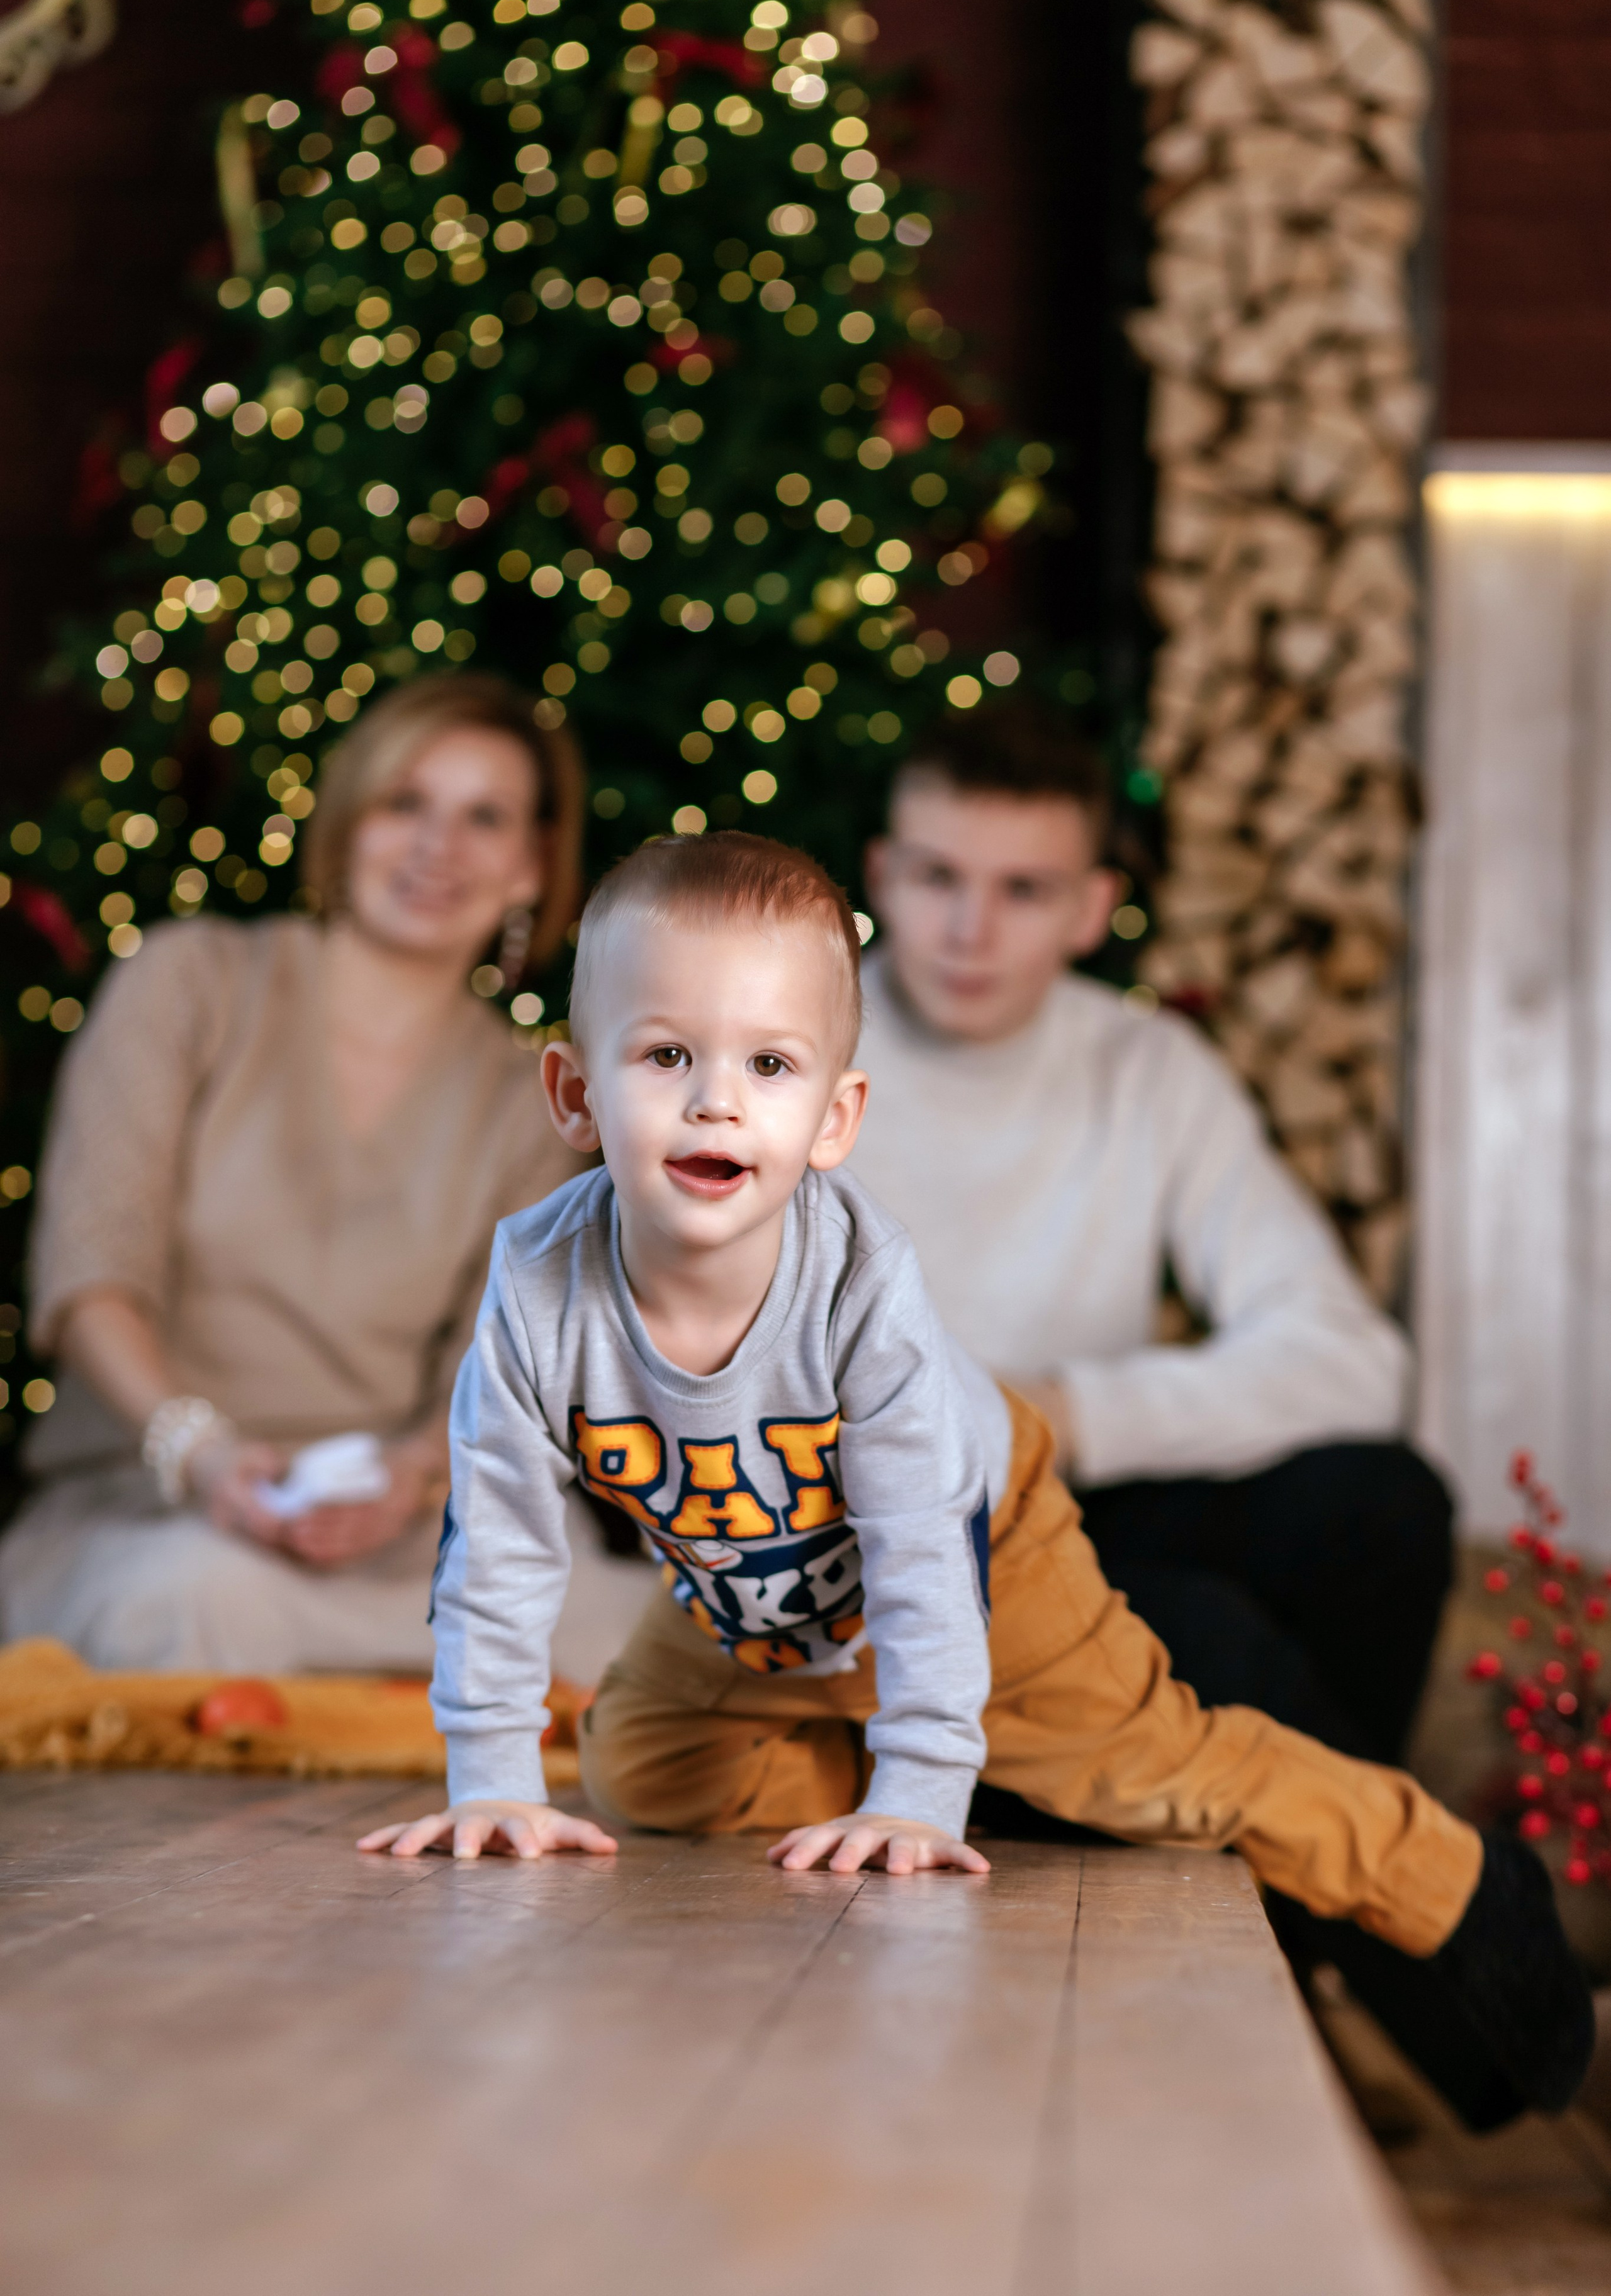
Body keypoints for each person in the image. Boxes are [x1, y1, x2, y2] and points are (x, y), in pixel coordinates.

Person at [359, 831, 1591, 2134]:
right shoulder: (538, 1282)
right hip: (752, 1596)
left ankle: (1444, 1876)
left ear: (833, 1118)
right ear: (572, 1093)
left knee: (1154, 1771)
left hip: (978, 1548)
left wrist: (917, 1786)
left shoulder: (858, 1293)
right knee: (642, 1774)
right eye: (665, 1056)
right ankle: (961, 1763)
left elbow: (918, 1549)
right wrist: (489, 1773)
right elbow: (493, 1528)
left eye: (768, 1066)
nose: (715, 1101)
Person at [850, 693, 1448, 1770]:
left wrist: (1067, 1414)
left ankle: (1329, 1910)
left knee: (1382, 1505)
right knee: (1196, 1635)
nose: (968, 931)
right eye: (938, 878)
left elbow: (1356, 1363)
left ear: (1092, 910)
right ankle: (1399, 1905)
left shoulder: (1148, 1069)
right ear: (884, 874)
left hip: (1083, 1494)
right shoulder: (784, 1051)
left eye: (1023, 891)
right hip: (863, 1538)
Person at [0, 671, 640, 1676]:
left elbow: (495, 1366)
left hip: (391, 1532)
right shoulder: (187, 983)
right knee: (199, 1600)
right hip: (154, 1503)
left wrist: (414, 1473)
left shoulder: (534, 1100)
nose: (439, 848)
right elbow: (91, 1273)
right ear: (349, 824)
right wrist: (201, 1454)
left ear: (530, 867)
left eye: (484, 818)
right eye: (405, 804)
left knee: (626, 1631)